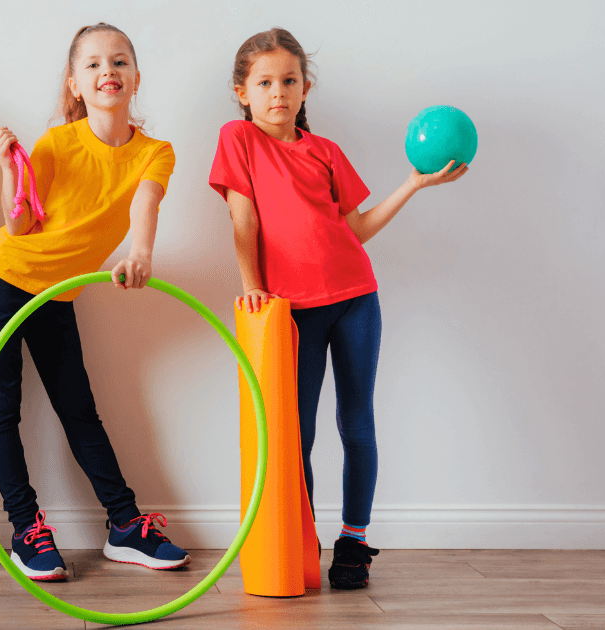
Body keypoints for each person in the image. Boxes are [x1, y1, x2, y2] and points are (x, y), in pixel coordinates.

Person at [209, 27, 468, 590]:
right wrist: (251, 283)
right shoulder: (239, 140)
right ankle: (302, 538)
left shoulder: (325, 151)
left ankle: (353, 541)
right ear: (242, 91)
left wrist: (414, 185)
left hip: (355, 300)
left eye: (290, 80)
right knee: (294, 437)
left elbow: (355, 229)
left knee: (356, 424)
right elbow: (243, 221)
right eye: (265, 82)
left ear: (306, 88)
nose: (278, 91)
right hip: (289, 312)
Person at [0, 22, 190, 582]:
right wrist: (5, 166)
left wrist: (141, 253)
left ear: (136, 77)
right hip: (6, 275)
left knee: (78, 407)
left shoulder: (155, 153)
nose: (107, 72)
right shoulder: (55, 144)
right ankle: (27, 529)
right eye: (93, 64)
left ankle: (124, 526)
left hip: (56, 293)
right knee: (1, 406)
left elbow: (146, 204)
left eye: (119, 62)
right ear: (74, 83)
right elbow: (18, 225)